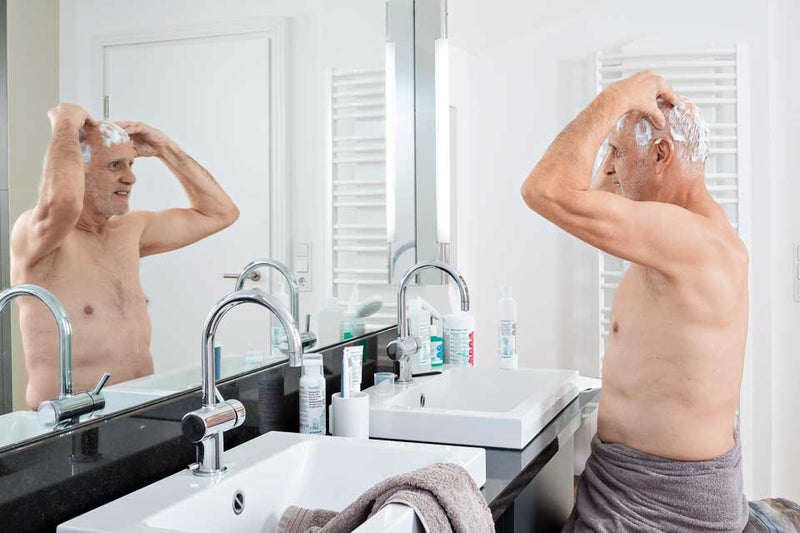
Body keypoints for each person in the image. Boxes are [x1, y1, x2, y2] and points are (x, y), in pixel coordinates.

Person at [521, 72, 749, 531]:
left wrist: (618, 95)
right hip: (623, 485)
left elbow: (544, 190)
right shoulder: (666, 228)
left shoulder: (693, 240)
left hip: (665, 506)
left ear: (661, 155)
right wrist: (622, 143)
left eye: (617, 154)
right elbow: (590, 197)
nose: (610, 166)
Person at [10, 103, 239, 410]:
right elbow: (63, 203)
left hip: (137, 414)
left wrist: (165, 149)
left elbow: (220, 212)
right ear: (80, 171)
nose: (131, 178)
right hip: (70, 428)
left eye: (132, 165)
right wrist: (65, 121)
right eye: (115, 166)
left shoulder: (131, 231)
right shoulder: (38, 236)